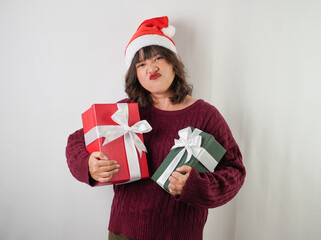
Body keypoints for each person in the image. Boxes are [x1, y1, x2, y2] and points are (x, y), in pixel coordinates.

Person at [66, 16, 246, 240]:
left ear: (173, 63)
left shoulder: (205, 115)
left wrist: (196, 186)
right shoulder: (124, 113)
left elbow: (234, 171)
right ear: (136, 75)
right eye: (141, 64)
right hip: (124, 233)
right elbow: (76, 140)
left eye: (158, 58)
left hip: (181, 235)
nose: (151, 67)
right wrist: (88, 165)